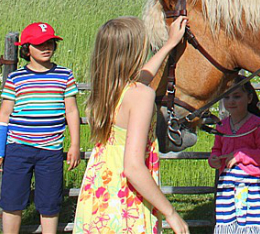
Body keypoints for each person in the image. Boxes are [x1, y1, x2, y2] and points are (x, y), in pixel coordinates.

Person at [73, 16, 190, 234]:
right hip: (125, 198)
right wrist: (170, 213)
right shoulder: (141, 95)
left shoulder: (107, 90)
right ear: (135, 51)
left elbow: (142, 79)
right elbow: (133, 168)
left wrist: (169, 45)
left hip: (99, 195)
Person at [0, 22, 81, 234]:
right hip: (18, 148)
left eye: (50, 43)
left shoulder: (64, 75)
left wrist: (75, 144)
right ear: (26, 48)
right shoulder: (16, 78)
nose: (46, 47)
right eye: (40, 44)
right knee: (12, 201)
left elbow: (72, 112)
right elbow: (4, 115)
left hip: (50, 150)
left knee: (50, 202)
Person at [209, 82, 260, 234]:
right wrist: (213, 159)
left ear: (249, 98)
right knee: (227, 222)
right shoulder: (222, 126)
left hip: (251, 184)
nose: (231, 101)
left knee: (253, 222)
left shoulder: (258, 125)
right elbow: (217, 149)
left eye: (237, 96)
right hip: (227, 185)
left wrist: (240, 155)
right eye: (227, 97)